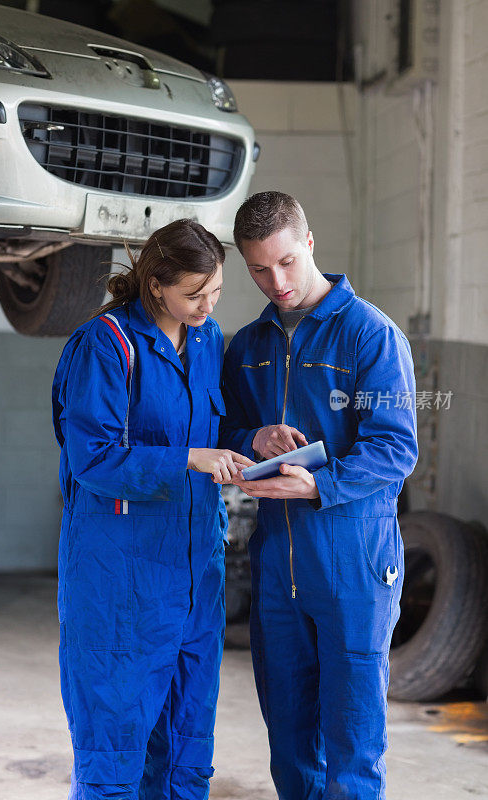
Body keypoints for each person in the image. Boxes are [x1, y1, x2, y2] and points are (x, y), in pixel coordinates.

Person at [220, 192, 418, 800]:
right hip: (278, 560)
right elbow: (219, 430)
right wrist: (253, 437)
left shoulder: (370, 336)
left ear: (309, 244)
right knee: (288, 735)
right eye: (257, 269)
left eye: (285, 262)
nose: (275, 282)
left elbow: (395, 448)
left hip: (353, 560)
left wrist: (321, 484)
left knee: (353, 742)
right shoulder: (249, 346)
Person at [51, 219, 253, 800]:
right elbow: (93, 459)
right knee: (114, 756)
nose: (207, 306)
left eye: (215, 292)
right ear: (155, 285)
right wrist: (186, 459)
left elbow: (215, 430)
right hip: (121, 584)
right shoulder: (106, 345)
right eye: (194, 294)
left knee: (188, 754)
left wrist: (254, 441)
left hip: (195, 579)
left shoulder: (209, 339)